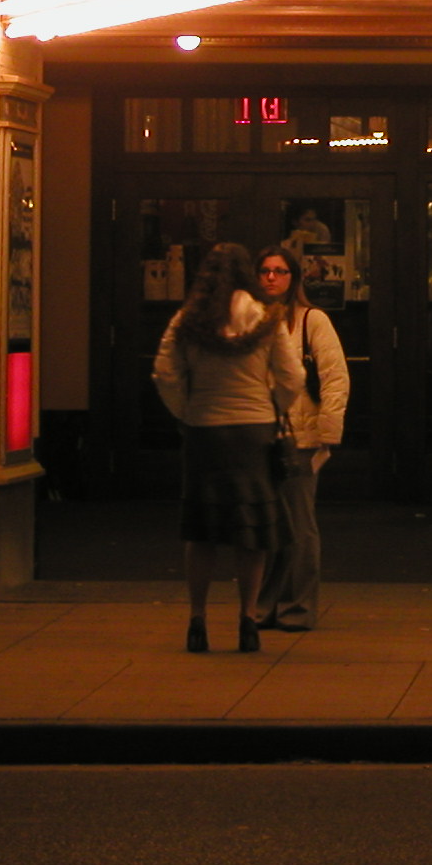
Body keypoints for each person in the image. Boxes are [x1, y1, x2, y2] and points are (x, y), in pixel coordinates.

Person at [152, 242, 305, 653]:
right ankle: (247, 620)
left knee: (201, 531)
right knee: (250, 532)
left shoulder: (187, 320)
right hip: (253, 433)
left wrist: (187, 411)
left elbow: (165, 374)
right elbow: (292, 377)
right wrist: (272, 408)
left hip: (204, 431)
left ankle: (197, 620)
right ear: (247, 274)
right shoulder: (267, 319)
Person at [250, 247, 349, 633]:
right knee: (263, 523)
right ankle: (263, 605)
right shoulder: (250, 320)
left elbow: (335, 376)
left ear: (294, 278)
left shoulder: (311, 321)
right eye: (265, 271)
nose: (271, 278)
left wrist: (328, 432)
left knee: (299, 525)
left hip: (299, 436)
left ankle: (296, 606)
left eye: (280, 271)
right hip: (258, 432)